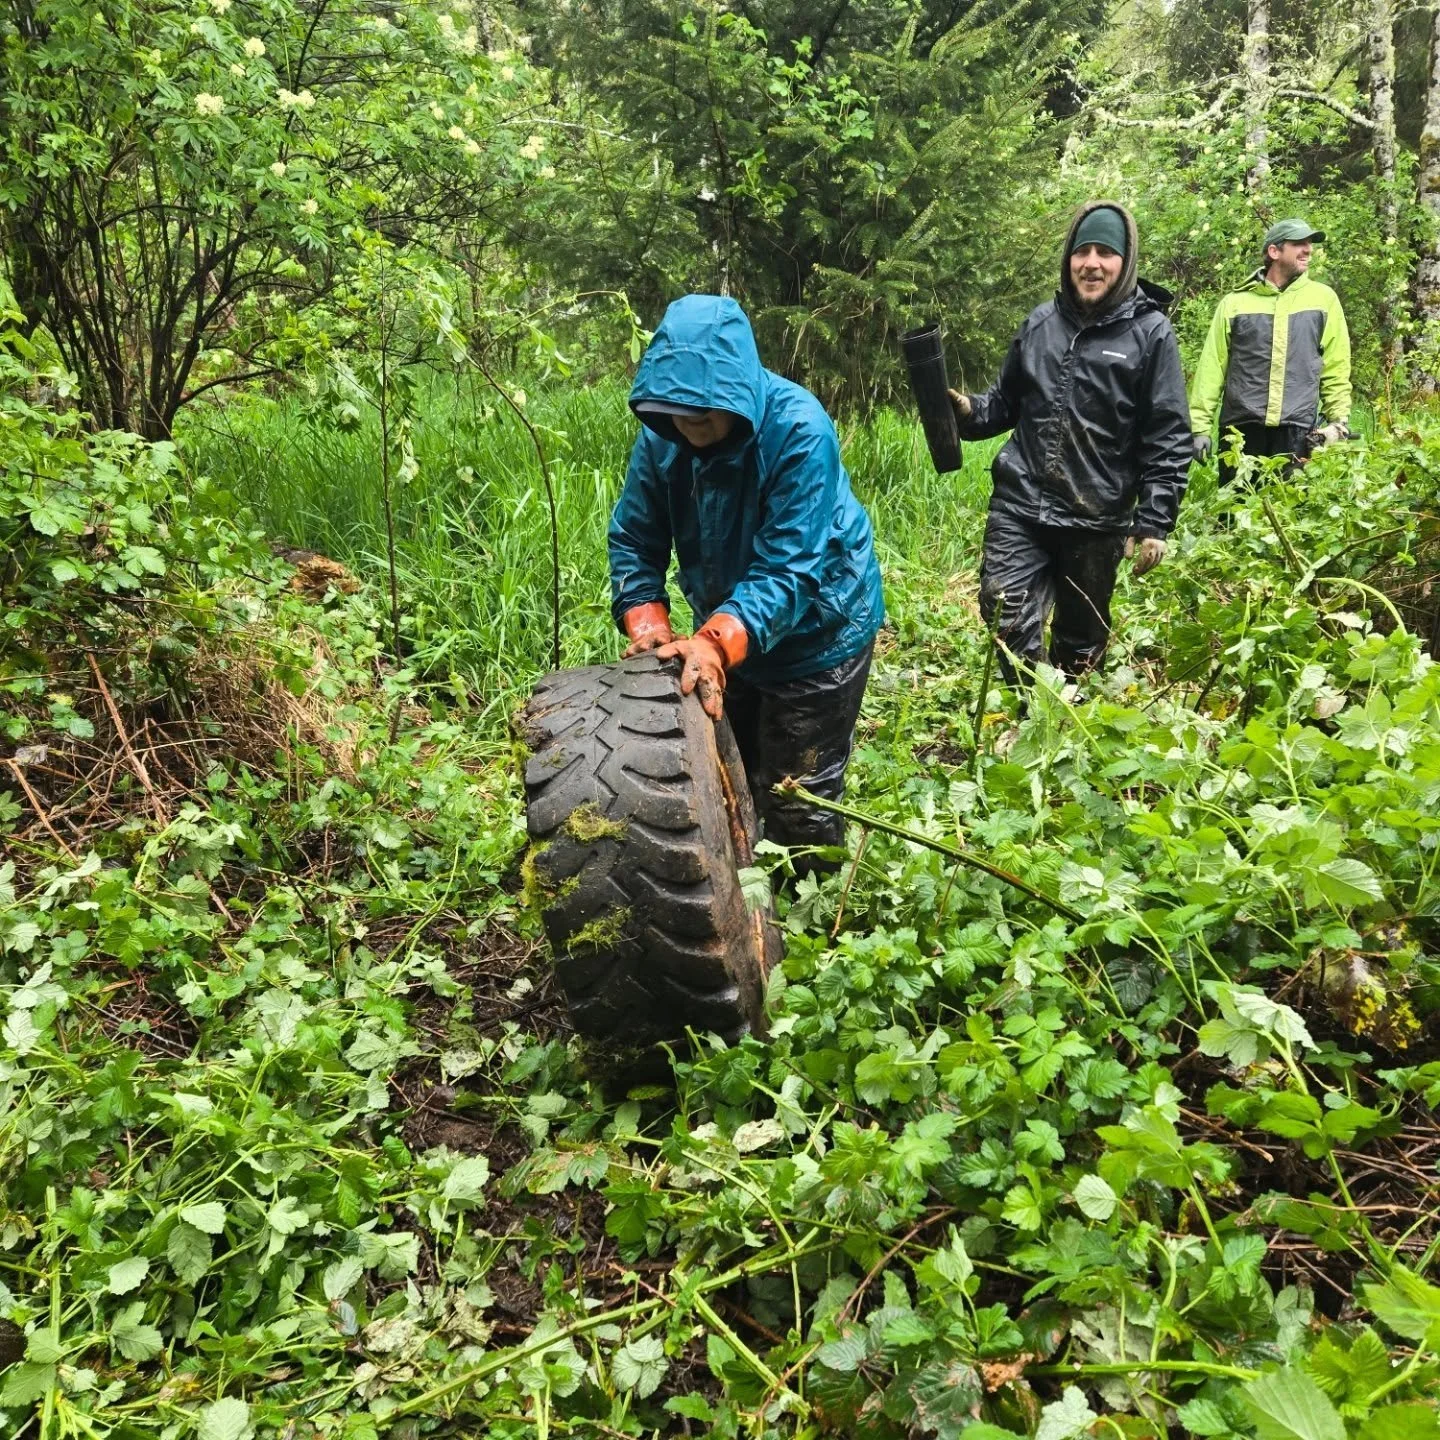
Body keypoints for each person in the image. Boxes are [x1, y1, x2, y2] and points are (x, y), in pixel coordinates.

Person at [609, 293, 885, 864]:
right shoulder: (661, 437)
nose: (690, 423)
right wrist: (648, 623)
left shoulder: (799, 430)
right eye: (678, 410)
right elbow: (635, 537)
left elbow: (790, 567)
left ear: (735, 390)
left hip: (820, 633)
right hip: (729, 625)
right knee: (730, 773)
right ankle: (743, 894)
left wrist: (714, 642)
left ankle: (810, 905)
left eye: (704, 411)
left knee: (796, 797)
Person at [948, 201, 1192, 687]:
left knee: (1081, 641)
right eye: (1083, 252)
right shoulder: (1041, 323)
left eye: (1106, 253)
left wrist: (1154, 521)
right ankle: (1034, 703)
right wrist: (969, 411)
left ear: (1126, 262)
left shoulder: (1150, 334)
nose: (1092, 264)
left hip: (1096, 517)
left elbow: (1167, 434)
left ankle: (1066, 712)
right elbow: (1006, 403)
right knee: (1003, 611)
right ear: (1068, 258)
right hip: (1021, 505)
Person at [1189, 218, 1351, 485]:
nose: (1308, 249)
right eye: (1299, 243)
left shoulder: (1324, 300)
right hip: (1239, 432)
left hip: (1298, 431)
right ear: (1274, 251)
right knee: (1236, 507)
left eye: (1309, 244)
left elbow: (1336, 366)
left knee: (1290, 508)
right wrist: (1200, 428)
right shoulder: (1234, 304)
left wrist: (1339, 421)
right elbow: (1211, 369)